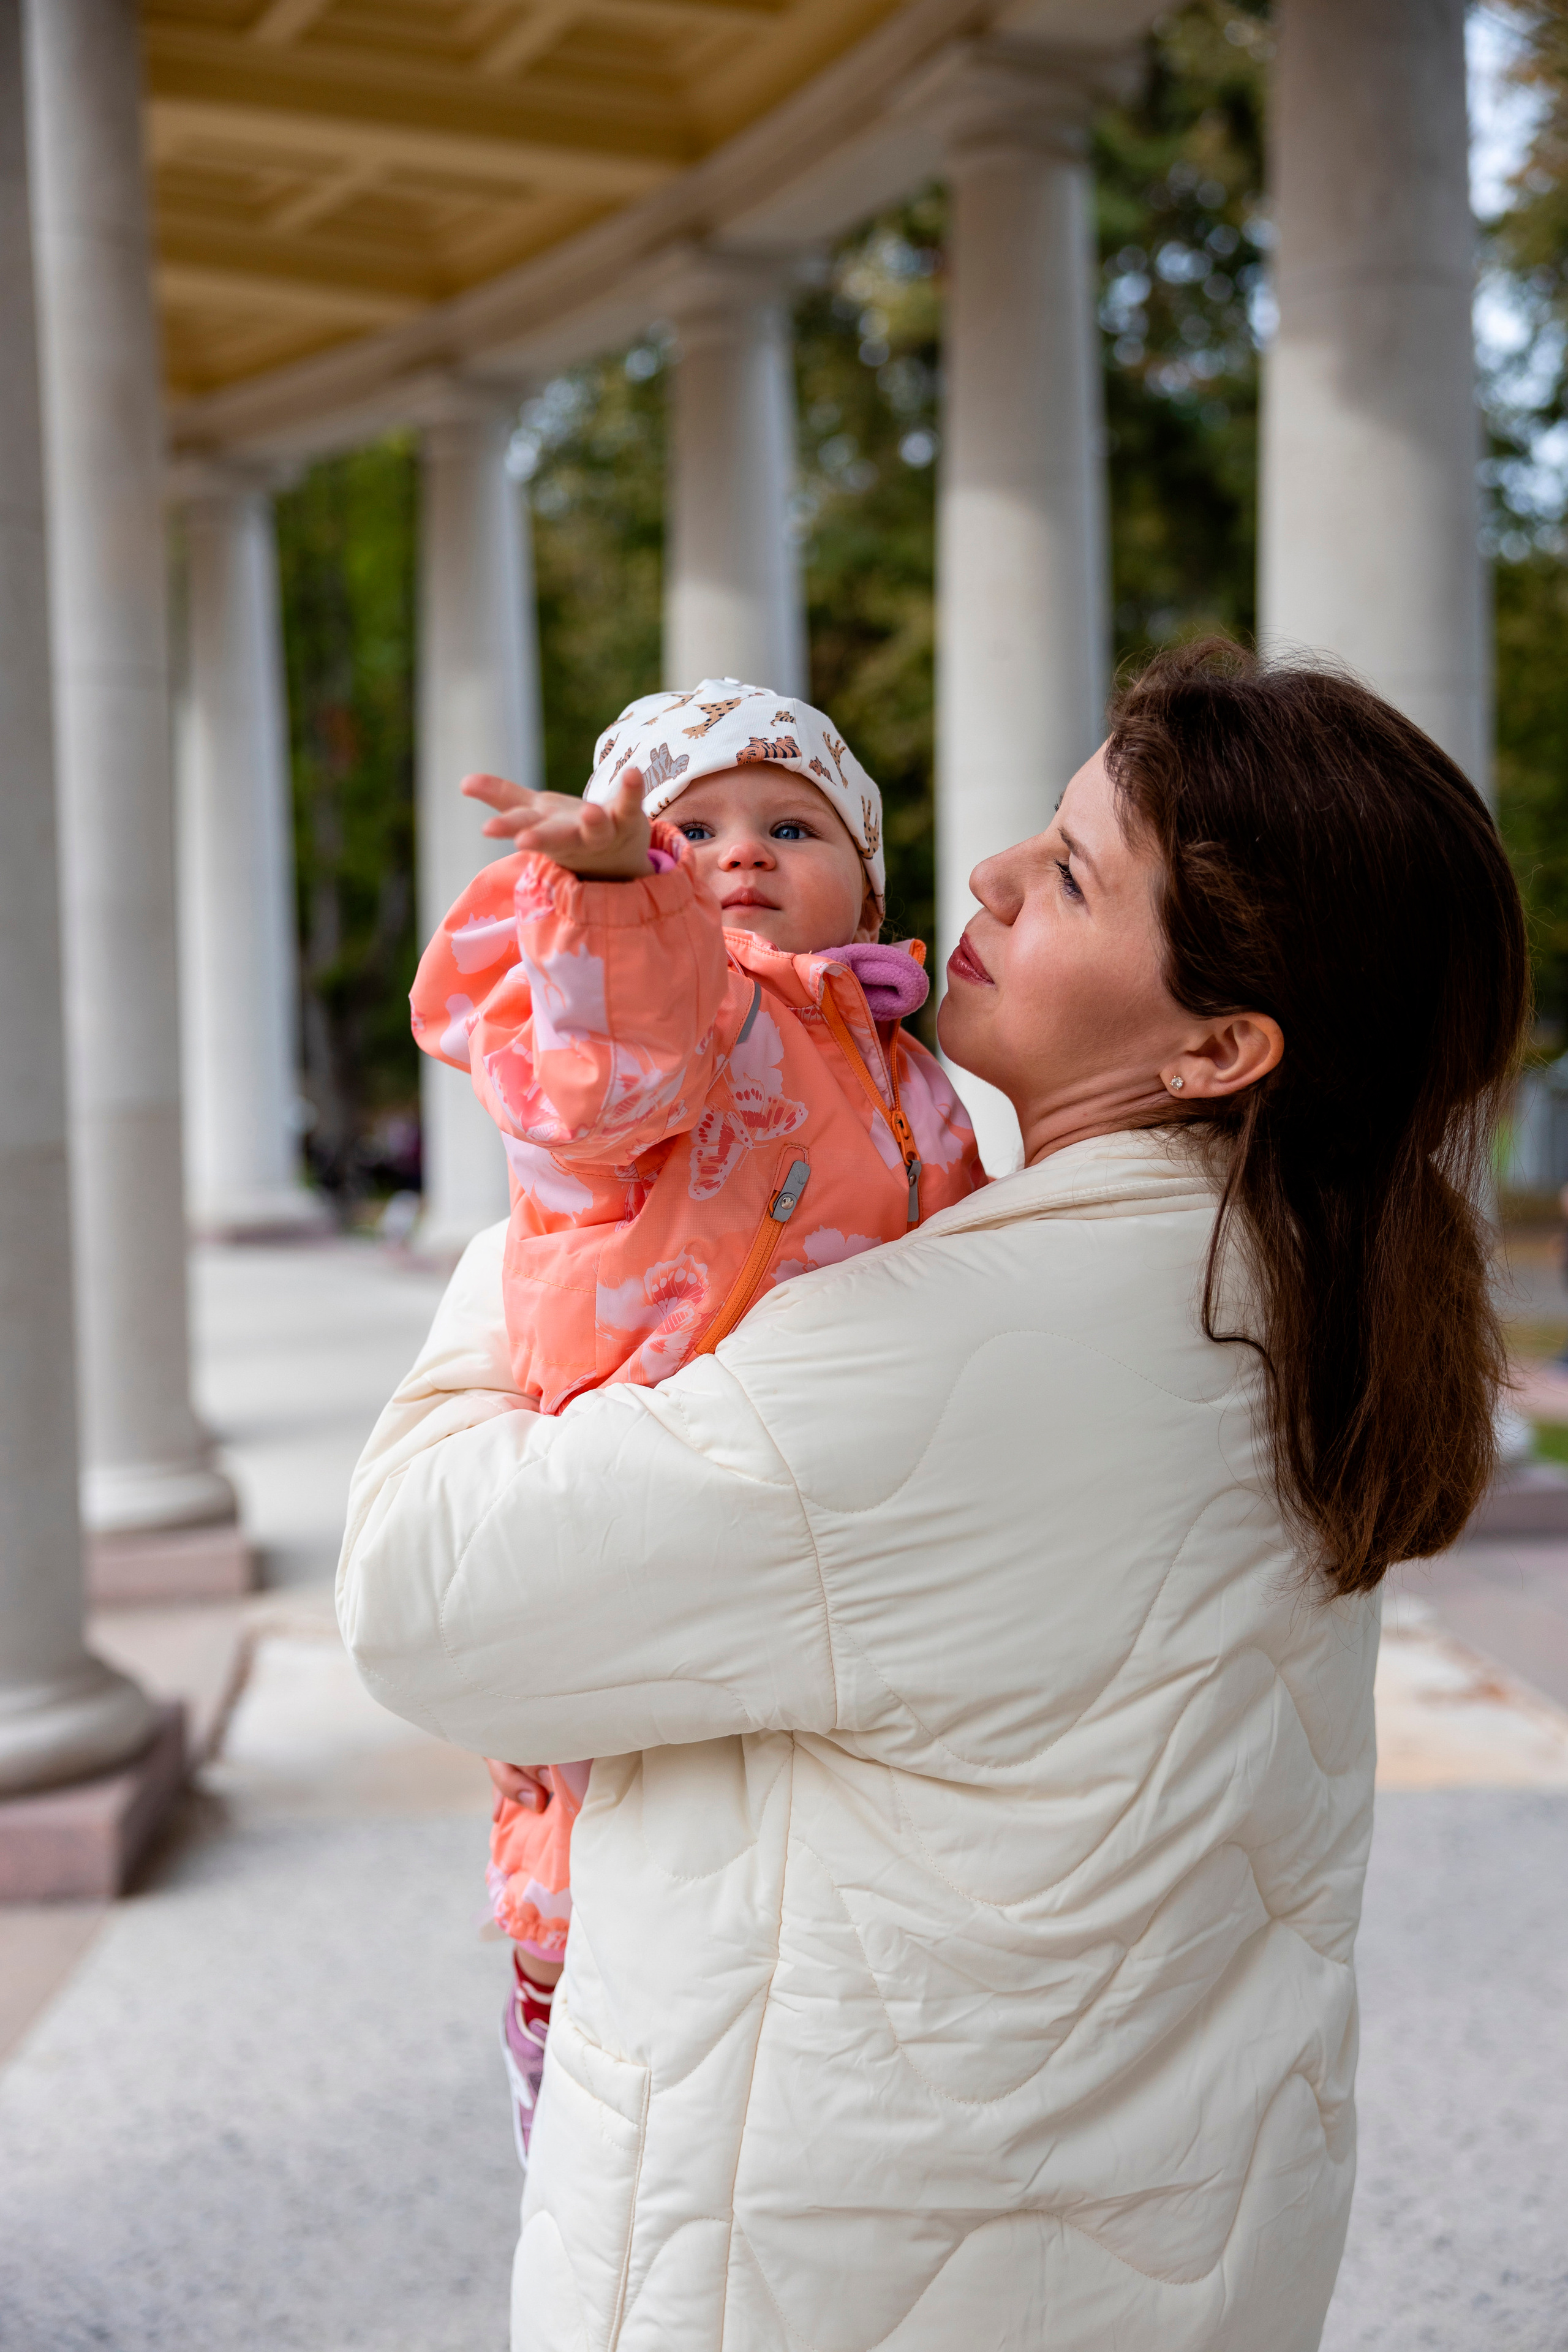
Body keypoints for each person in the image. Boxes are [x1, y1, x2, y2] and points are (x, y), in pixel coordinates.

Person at [340, 641, 1528, 2351]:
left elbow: (422, 1598)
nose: (985, 875)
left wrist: (562, 1229)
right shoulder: (1301, 1277)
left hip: (842, 2280)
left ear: (1220, 1046)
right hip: (1137, 2244)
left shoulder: (977, 1340)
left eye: (1066, 876)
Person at [407, 678, 983, 2159]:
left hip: (807, 1483)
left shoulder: (898, 1057)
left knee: (763, 1815)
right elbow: (604, 1087)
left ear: (866, 869)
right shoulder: (681, 1009)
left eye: (791, 823)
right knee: (596, 1796)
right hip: (638, 1449)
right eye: (691, 827)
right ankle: (558, 2040)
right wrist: (614, 902)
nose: (737, 853)